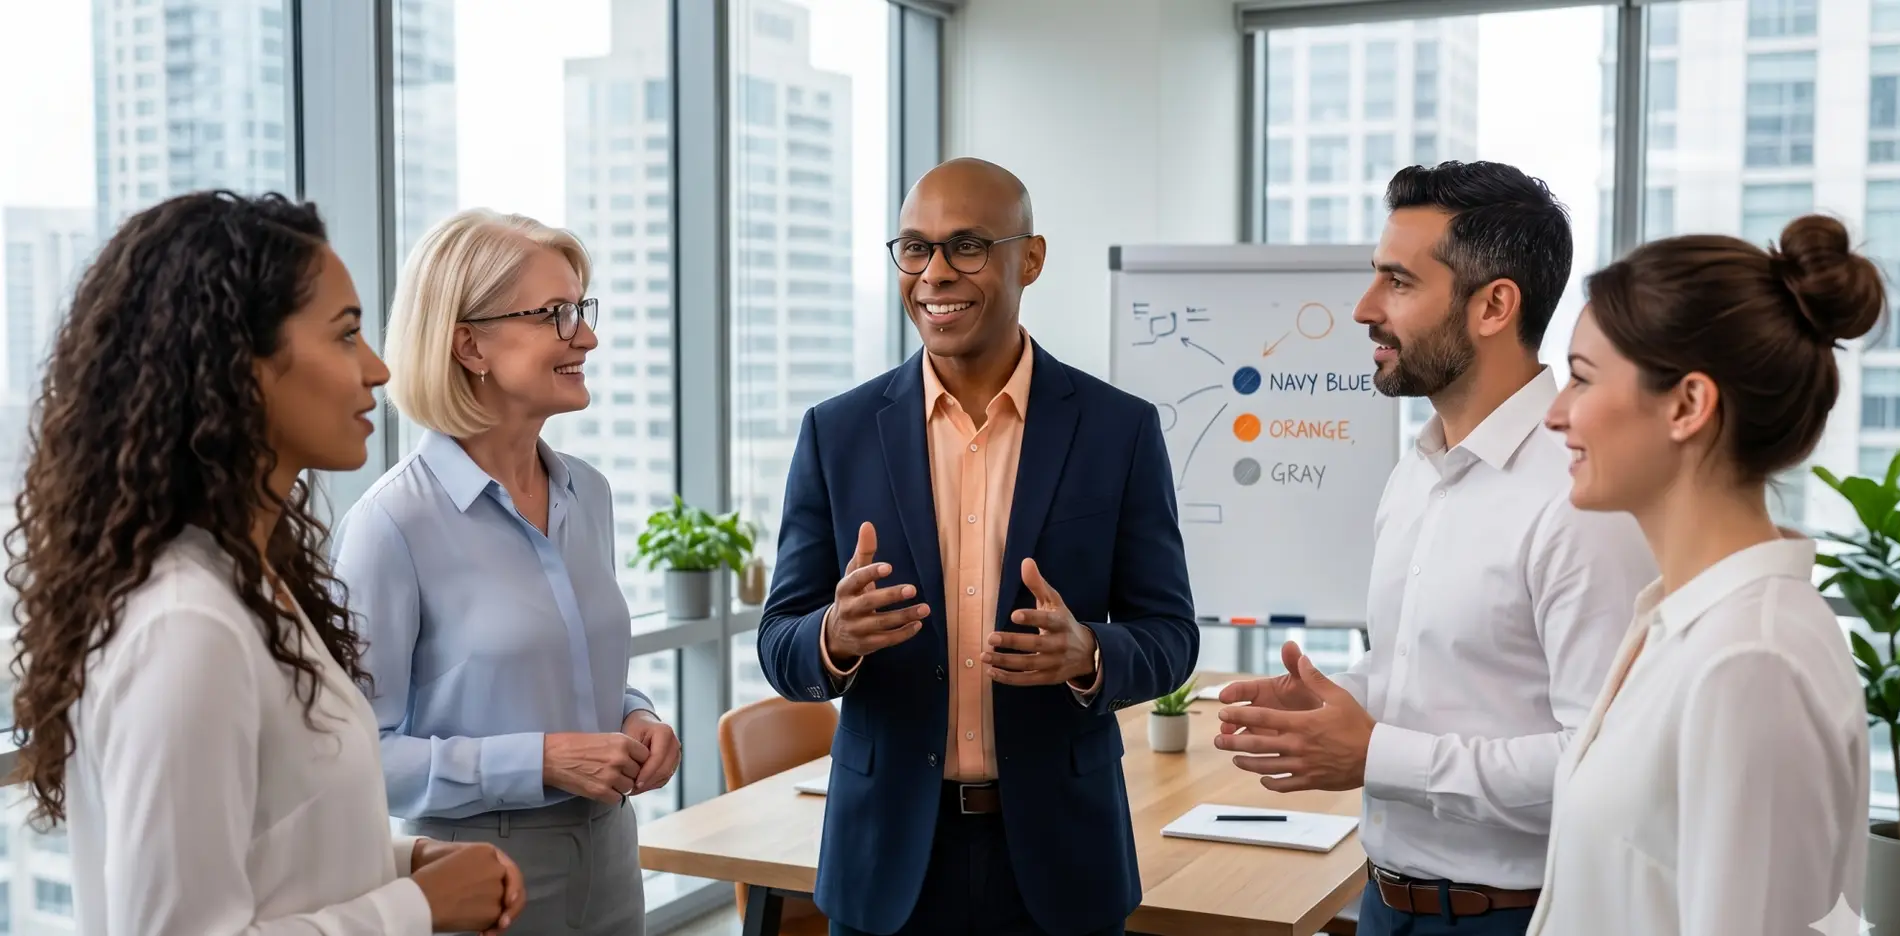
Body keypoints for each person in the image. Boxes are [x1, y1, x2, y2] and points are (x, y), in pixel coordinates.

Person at [3, 191, 524, 935]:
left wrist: (402, 860)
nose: (376, 369)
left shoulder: (249, 582)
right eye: (346, 336)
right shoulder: (186, 623)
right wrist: (416, 906)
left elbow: (265, 844)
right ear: (237, 367)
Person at [757, 157, 1199, 936]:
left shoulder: (1118, 431)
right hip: (886, 862)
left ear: (1029, 259)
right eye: (915, 247)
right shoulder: (837, 433)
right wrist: (832, 637)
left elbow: (1170, 635)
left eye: (966, 246)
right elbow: (780, 642)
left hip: (1062, 861)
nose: (934, 274)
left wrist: (1089, 652)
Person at [1214, 162, 1657, 936]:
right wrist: (1334, 705)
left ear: (1494, 305)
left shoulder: (1583, 496)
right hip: (1384, 904)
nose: (1362, 309)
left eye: (1398, 283)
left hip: (1516, 917)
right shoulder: (1415, 473)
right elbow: (1420, 673)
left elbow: (1606, 761)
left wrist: (1376, 755)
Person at [1524, 216, 1878, 935]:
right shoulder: (1678, 622)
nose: (1555, 415)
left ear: (1688, 404)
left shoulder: (1753, 662)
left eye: (1583, 379)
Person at [332, 208, 680, 935]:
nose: (586, 336)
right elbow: (358, 759)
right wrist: (541, 760)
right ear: (469, 344)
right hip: (479, 872)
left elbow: (575, 668)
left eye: (581, 310)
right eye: (556, 313)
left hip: (613, 852)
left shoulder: (589, 493)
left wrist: (635, 715)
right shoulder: (391, 525)